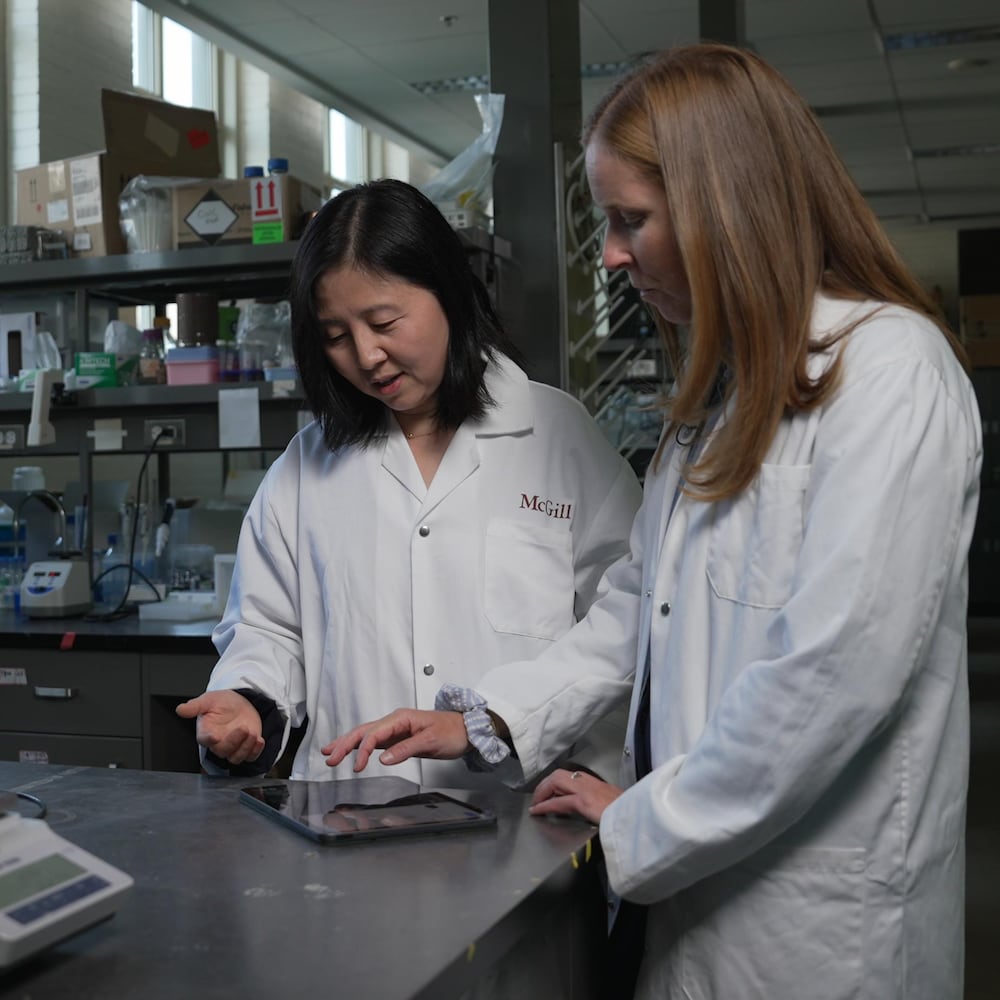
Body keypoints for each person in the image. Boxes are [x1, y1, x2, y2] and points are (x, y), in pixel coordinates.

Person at [322, 45, 983, 1000]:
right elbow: (636, 611)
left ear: (728, 207)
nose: (613, 256)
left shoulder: (888, 375)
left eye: (631, 220)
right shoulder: (717, 401)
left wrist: (639, 822)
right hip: (695, 908)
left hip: (818, 928)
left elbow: (832, 674)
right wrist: (488, 721)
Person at [176, 178, 641, 788]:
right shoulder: (304, 468)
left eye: (385, 321)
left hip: (519, 820)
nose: (366, 356)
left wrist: (521, 727)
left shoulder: (558, 436)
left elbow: (629, 615)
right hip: (350, 821)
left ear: (447, 293)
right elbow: (267, 629)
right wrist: (247, 700)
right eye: (337, 336)